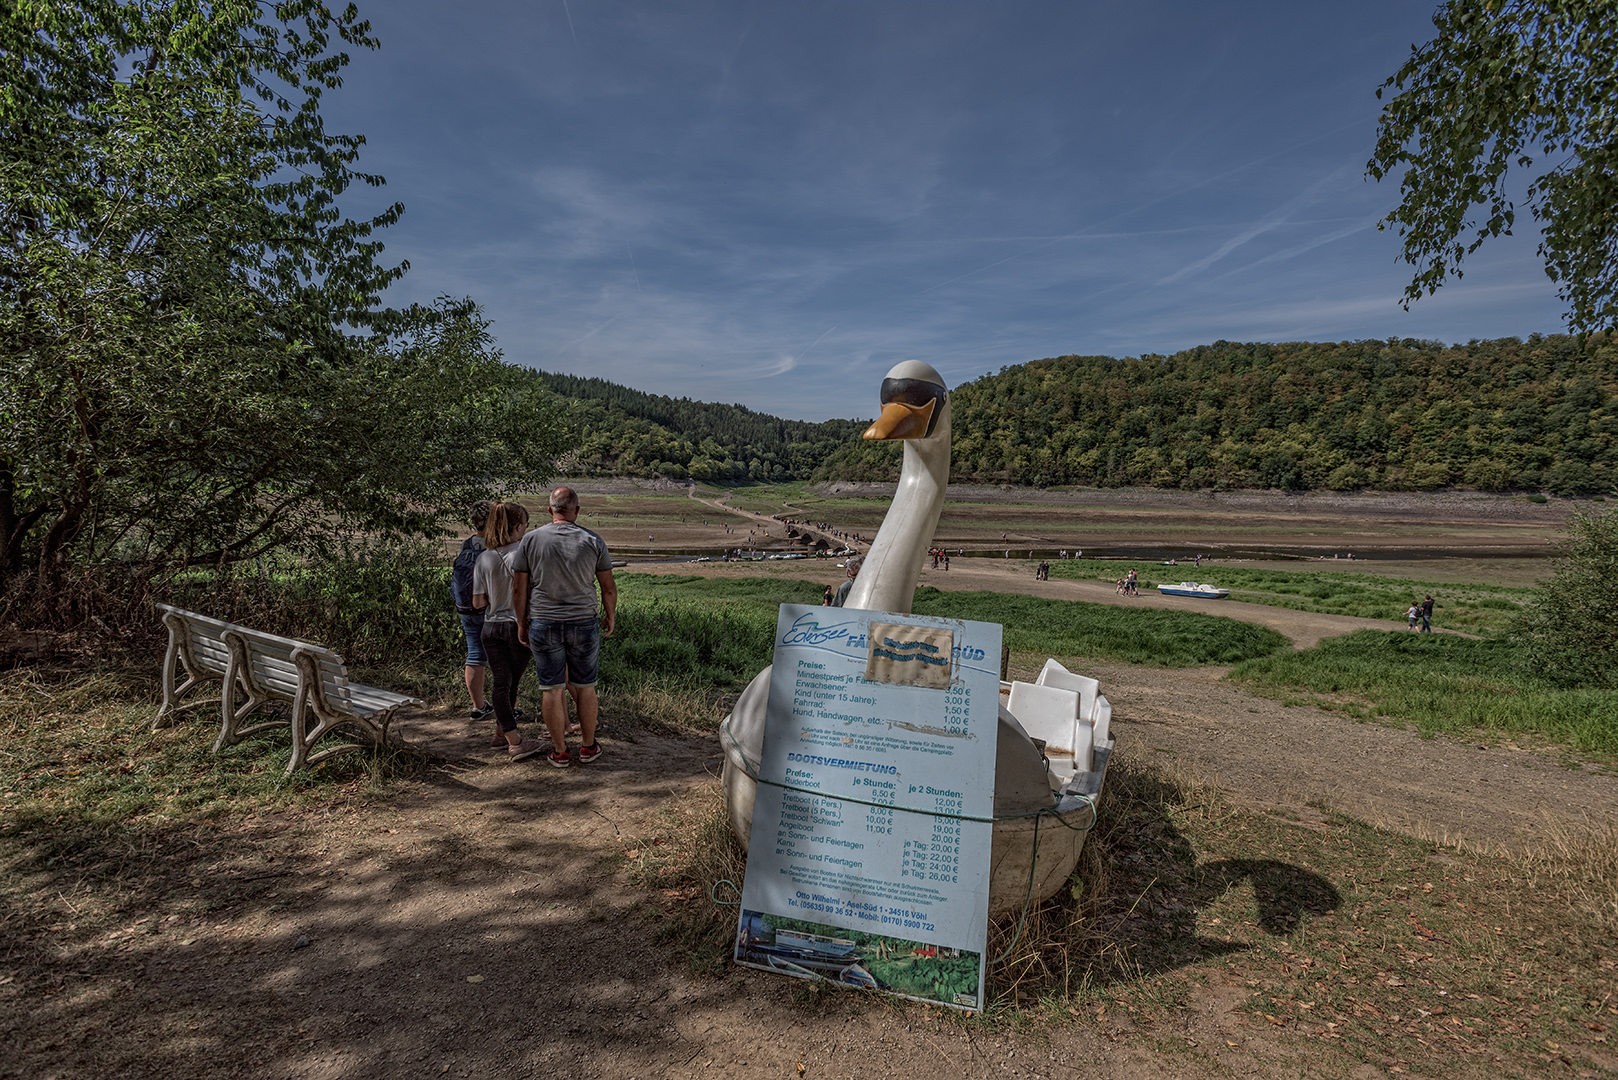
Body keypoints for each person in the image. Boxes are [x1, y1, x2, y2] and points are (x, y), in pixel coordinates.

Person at [512, 487, 617, 768]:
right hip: (583, 622)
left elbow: (519, 589)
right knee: (585, 687)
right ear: (577, 511)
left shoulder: (531, 540)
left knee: (551, 689)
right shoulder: (593, 540)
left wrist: (521, 623)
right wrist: (610, 615)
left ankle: (559, 751)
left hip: (544, 622)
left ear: (550, 511)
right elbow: (608, 588)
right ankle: (587, 746)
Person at [472, 502, 545, 761]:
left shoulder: (484, 557)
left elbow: (478, 603)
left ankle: (500, 735)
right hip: (518, 625)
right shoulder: (524, 554)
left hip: (491, 627)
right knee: (508, 685)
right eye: (525, 525)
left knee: (502, 682)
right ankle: (515, 742)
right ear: (517, 526)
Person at [453, 501, 493, 723]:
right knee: (500, 659)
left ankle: (478, 706)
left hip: (467, 609)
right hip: (489, 609)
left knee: (474, 654)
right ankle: (505, 706)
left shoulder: (467, 544)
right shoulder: (494, 547)